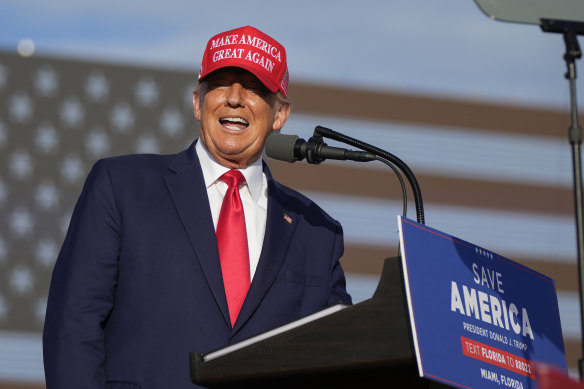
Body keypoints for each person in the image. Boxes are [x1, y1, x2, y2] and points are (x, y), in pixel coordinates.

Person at [43, 25, 352, 388]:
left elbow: (340, 357)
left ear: (280, 114)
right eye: (220, 83)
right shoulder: (121, 186)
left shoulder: (315, 230)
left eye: (253, 87)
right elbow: (72, 326)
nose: (234, 98)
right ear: (197, 102)